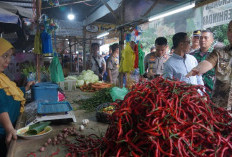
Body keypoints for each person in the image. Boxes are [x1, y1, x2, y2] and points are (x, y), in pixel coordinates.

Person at [186, 20, 232, 111]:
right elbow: (208, 63)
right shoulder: (220, 52)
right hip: (220, 105)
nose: (231, 33)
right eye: (229, 30)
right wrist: (197, 69)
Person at [0, 38, 34, 157]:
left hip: (10, 128)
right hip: (3, 133)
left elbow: (11, 93)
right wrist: (9, 129)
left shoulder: (2, 77)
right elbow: (1, 106)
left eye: (9, 57)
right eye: (4, 56)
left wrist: (25, 88)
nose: (8, 60)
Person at [191, 30, 215, 96]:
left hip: (213, 94)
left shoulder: (217, 56)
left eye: (205, 38)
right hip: (196, 94)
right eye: (201, 38)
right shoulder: (191, 56)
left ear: (212, 40)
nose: (202, 40)